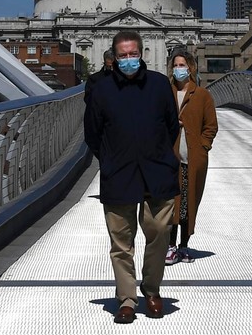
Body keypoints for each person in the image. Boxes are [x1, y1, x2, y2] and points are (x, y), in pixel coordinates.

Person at [83, 31, 180, 324]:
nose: (129, 60)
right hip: (119, 173)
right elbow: (92, 133)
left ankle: (151, 289)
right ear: (114, 58)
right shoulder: (100, 89)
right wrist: (109, 159)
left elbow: (171, 126)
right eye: (123, 55)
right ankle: (126, 299)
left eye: (133, 54)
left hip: (157, 170)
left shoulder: (159, 85)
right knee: (121, 243)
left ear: (142, 53)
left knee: (159, 233)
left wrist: (159, 153)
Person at [165, 49, 218, 265]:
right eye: (175, 65)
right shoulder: (165, 93)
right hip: (170, 160)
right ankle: (170, 245)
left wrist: (203, 147)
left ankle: (184, 245)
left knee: (188, 203)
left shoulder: (202, 95)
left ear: (190, 68)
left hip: (192, 160)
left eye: (182, 65)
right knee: (171, 204)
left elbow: (211, 126)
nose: (179, 69)